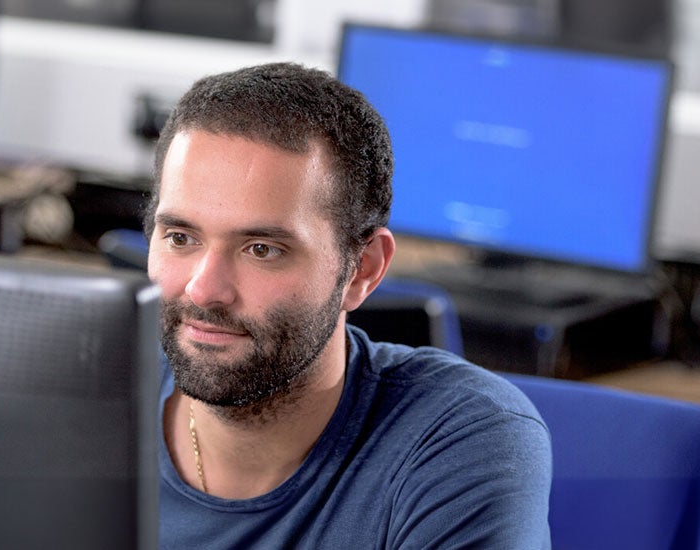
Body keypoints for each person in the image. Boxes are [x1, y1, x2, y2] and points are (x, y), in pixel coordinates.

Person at [143, 62, 552, 547]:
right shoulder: (72, 399)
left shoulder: (462, 441)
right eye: (181, 237)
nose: (203, 289)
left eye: (262, 249)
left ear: (362, 270)